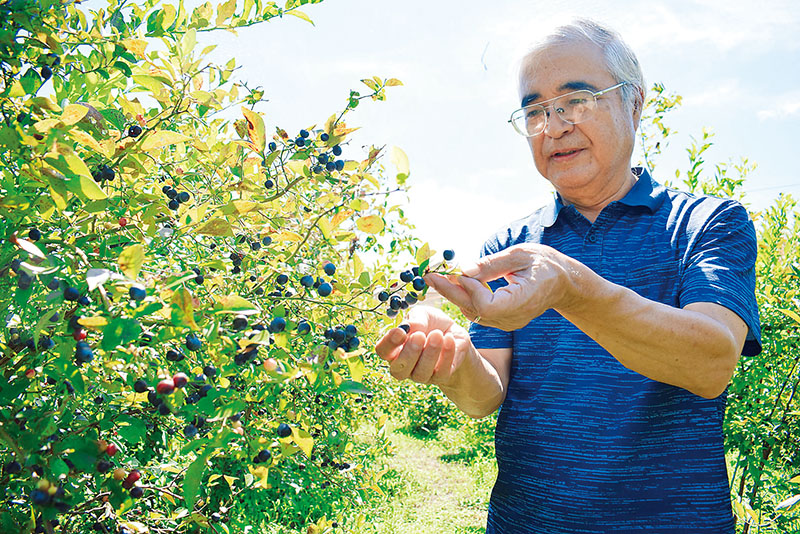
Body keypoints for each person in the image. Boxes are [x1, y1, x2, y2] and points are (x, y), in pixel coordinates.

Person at [375, 18, 761, 534]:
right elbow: (485, 396)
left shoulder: (706, 224)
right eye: (534, 110)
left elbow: (709, 363)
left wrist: (571, 290)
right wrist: (455, 359)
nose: (553, 126)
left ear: (634, 103)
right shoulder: (510, 247)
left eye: (576, 100)